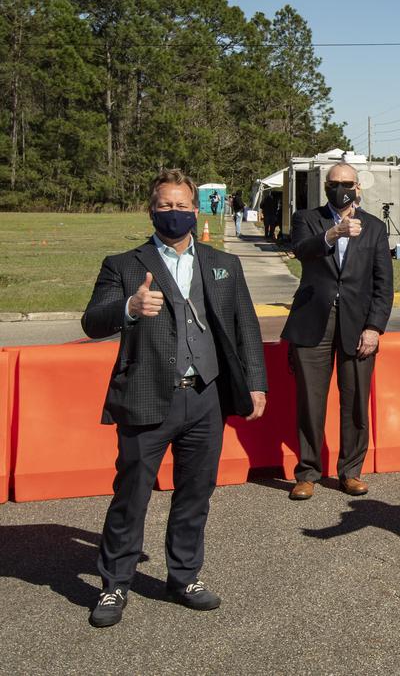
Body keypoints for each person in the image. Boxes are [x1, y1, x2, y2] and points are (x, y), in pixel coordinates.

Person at [80, 168, 268, 628]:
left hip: (205, 397)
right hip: (146, 397)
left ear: (196, 210)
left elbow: (246, 327)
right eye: (166, 205)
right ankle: (115, 583)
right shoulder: (123, 264)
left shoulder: (224, 264)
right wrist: (128, 308)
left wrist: (256, 383)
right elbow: (92, 321)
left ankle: (183, 576)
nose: (175, 212)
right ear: (151, 210)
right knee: (132, 494)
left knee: (195, 493)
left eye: (183, 205)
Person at [282, 162, 393, 501]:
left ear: (358, 187)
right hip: (313, 321)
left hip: (357, 325)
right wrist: (334, 233)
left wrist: (374, 327)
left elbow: (383, 283)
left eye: (347, 182)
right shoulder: (307, 219)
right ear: (325, 186)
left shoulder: (374, 227)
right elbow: (300, 249)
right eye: (334, 183)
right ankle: (308, 472)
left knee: (356, 400)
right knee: (311, 402)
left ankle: (351, 471)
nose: (341, 188)